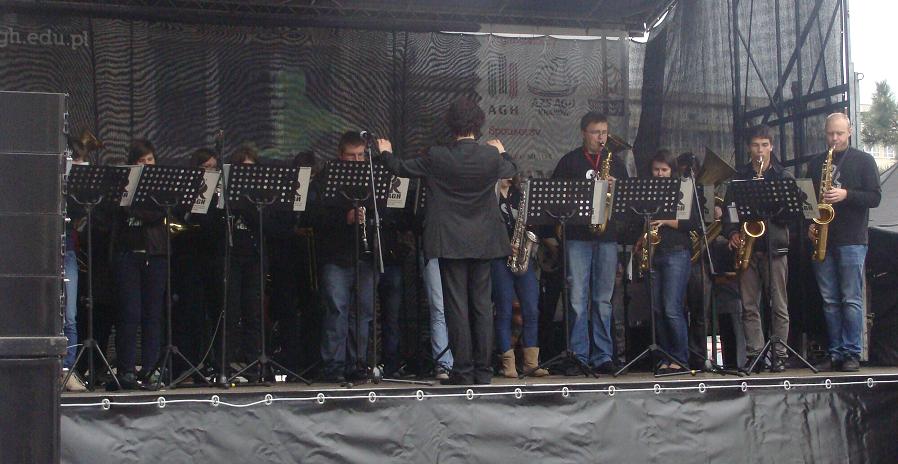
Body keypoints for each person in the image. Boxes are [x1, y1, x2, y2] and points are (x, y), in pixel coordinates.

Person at [378, 97, 517, 385]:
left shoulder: (437, 156)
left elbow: (400, 168)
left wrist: (385, 152)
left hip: (450, 239)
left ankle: (462, 370)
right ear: (478, 124)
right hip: (484, 240)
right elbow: (511, 169)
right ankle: (484, 371)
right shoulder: (490, 156)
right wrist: (502, 152)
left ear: (451, 125)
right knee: (482, 305)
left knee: (456, 306)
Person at [548, 111, 629, 376]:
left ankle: (603, 355)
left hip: (607, 237)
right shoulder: (569, 162)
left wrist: (617, 189)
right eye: (596, 132)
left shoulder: (616, 163)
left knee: (603, 299)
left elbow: (628, 204)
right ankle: (578, 354)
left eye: (604, 132)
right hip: (577, 237)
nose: (601, 138)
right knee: (577, 299)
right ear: (584, 133)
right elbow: (554, 199)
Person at [808, 113, 881, 372]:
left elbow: (875, 197)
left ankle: (852, 352)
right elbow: (808, 200)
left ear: (850, 132)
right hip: (824, 238)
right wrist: (810, 224)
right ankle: (835, 352)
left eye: (839, 133)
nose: (834, 139)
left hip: (852, 238)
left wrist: (846, 194)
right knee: (829, 300)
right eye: (830, 134)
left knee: (851, 298)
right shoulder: (816, 163)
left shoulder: (864, 160)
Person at [724, 125, 792, 373]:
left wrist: (774, 208)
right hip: (749, 248)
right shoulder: (740, 177)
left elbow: (792, 214)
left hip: (775, 247)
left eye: (764, 145)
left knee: (779, 305)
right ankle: (755, 353)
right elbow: (730, 210)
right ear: (749, 148)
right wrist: (732, 232)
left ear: (771, 146)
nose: (760, 150)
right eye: (755, 145)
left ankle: (780, 354)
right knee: (749, 305)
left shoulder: (783, 177)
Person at [312, 131, 378, 383]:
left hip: (365, 255)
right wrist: (345, 218)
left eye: (361, 155)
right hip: (336, 256)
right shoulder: (326, 178)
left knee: (363, 314)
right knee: (337, 310)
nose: (357, 161)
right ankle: (333, 365)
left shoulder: (372, 178)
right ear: (341, 155)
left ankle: (357, 362)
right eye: (352, 156)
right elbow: (313, 216)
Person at [109, 139, 166, 390]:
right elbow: (117, 212)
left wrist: (135, 211)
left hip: (155, 254)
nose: (146, 164)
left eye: (150, 160)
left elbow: (160, 213)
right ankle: (126, 369)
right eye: (141, 161)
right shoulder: (123, 184)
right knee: (129, 313)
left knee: (153, 314)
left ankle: (151, 368)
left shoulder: (161, 185)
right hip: (127, 254)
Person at [641, 150, 699, 373]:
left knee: (671, 307)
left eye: (664, 170)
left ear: (671, 170)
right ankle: (664, 356)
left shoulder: (683, 188)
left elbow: (691, 222)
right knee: (656, 309)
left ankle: (680, 357)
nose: (660, 174)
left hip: (676, 251)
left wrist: (664, 220)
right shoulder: (647, 191)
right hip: (654, 252)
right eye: (656, 169)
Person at [492, 177, 548, 378]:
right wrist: (505, 245)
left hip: (522, 257)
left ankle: (531, 363)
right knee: (504, 310)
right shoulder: (490, 196)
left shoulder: (519, 195)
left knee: (531, 309)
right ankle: (507, 363)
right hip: (500, 258)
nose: (508, 176)